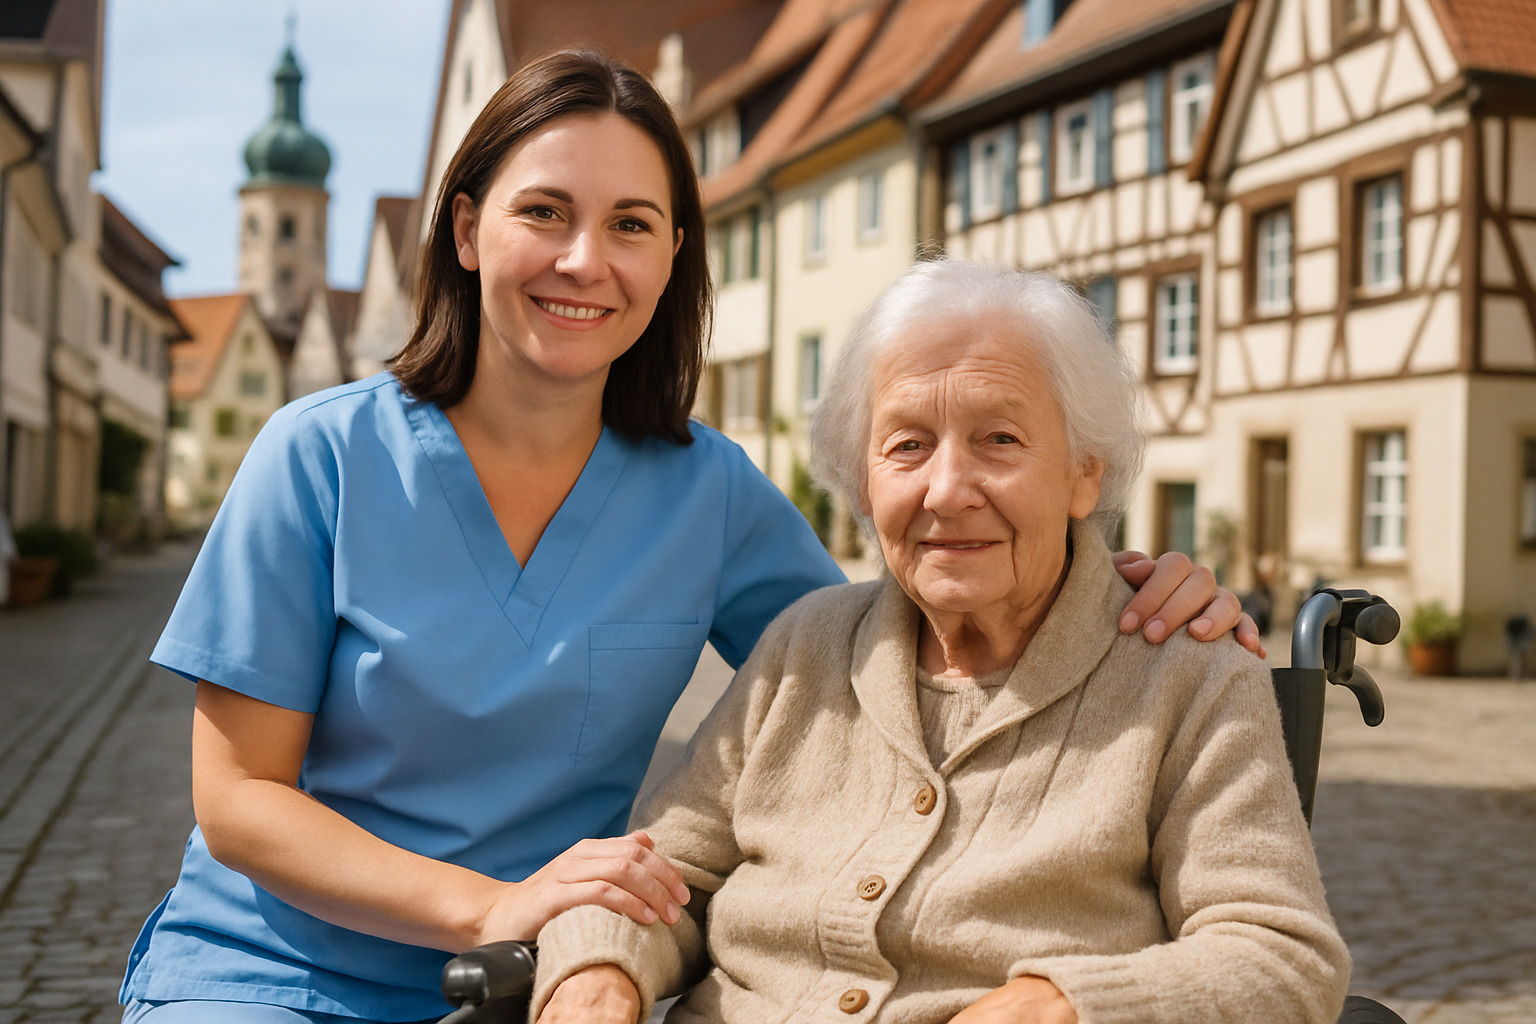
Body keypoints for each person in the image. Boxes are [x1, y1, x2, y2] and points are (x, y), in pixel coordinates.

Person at [120, 52, 1258, 1024]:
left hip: (540, 984)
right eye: (544, 213)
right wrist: (489, 902)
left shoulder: (707, 491)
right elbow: (239, 800)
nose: (586, 262)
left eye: (631, 225)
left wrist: (1123, 587)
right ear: (467, 229)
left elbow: (898, 649)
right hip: (276, 973)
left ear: (670, 261)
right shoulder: (317, 456)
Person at [532, 259, 1349, 1024]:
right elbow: (657, 877)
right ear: (863, 480)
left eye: (1000, 440)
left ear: (1084, 473)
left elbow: (1281, 958)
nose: (948, 490)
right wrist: (598, 971)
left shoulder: (1186, 673)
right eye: (908, 446)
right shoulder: (803, 648)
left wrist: (1058, 1004)